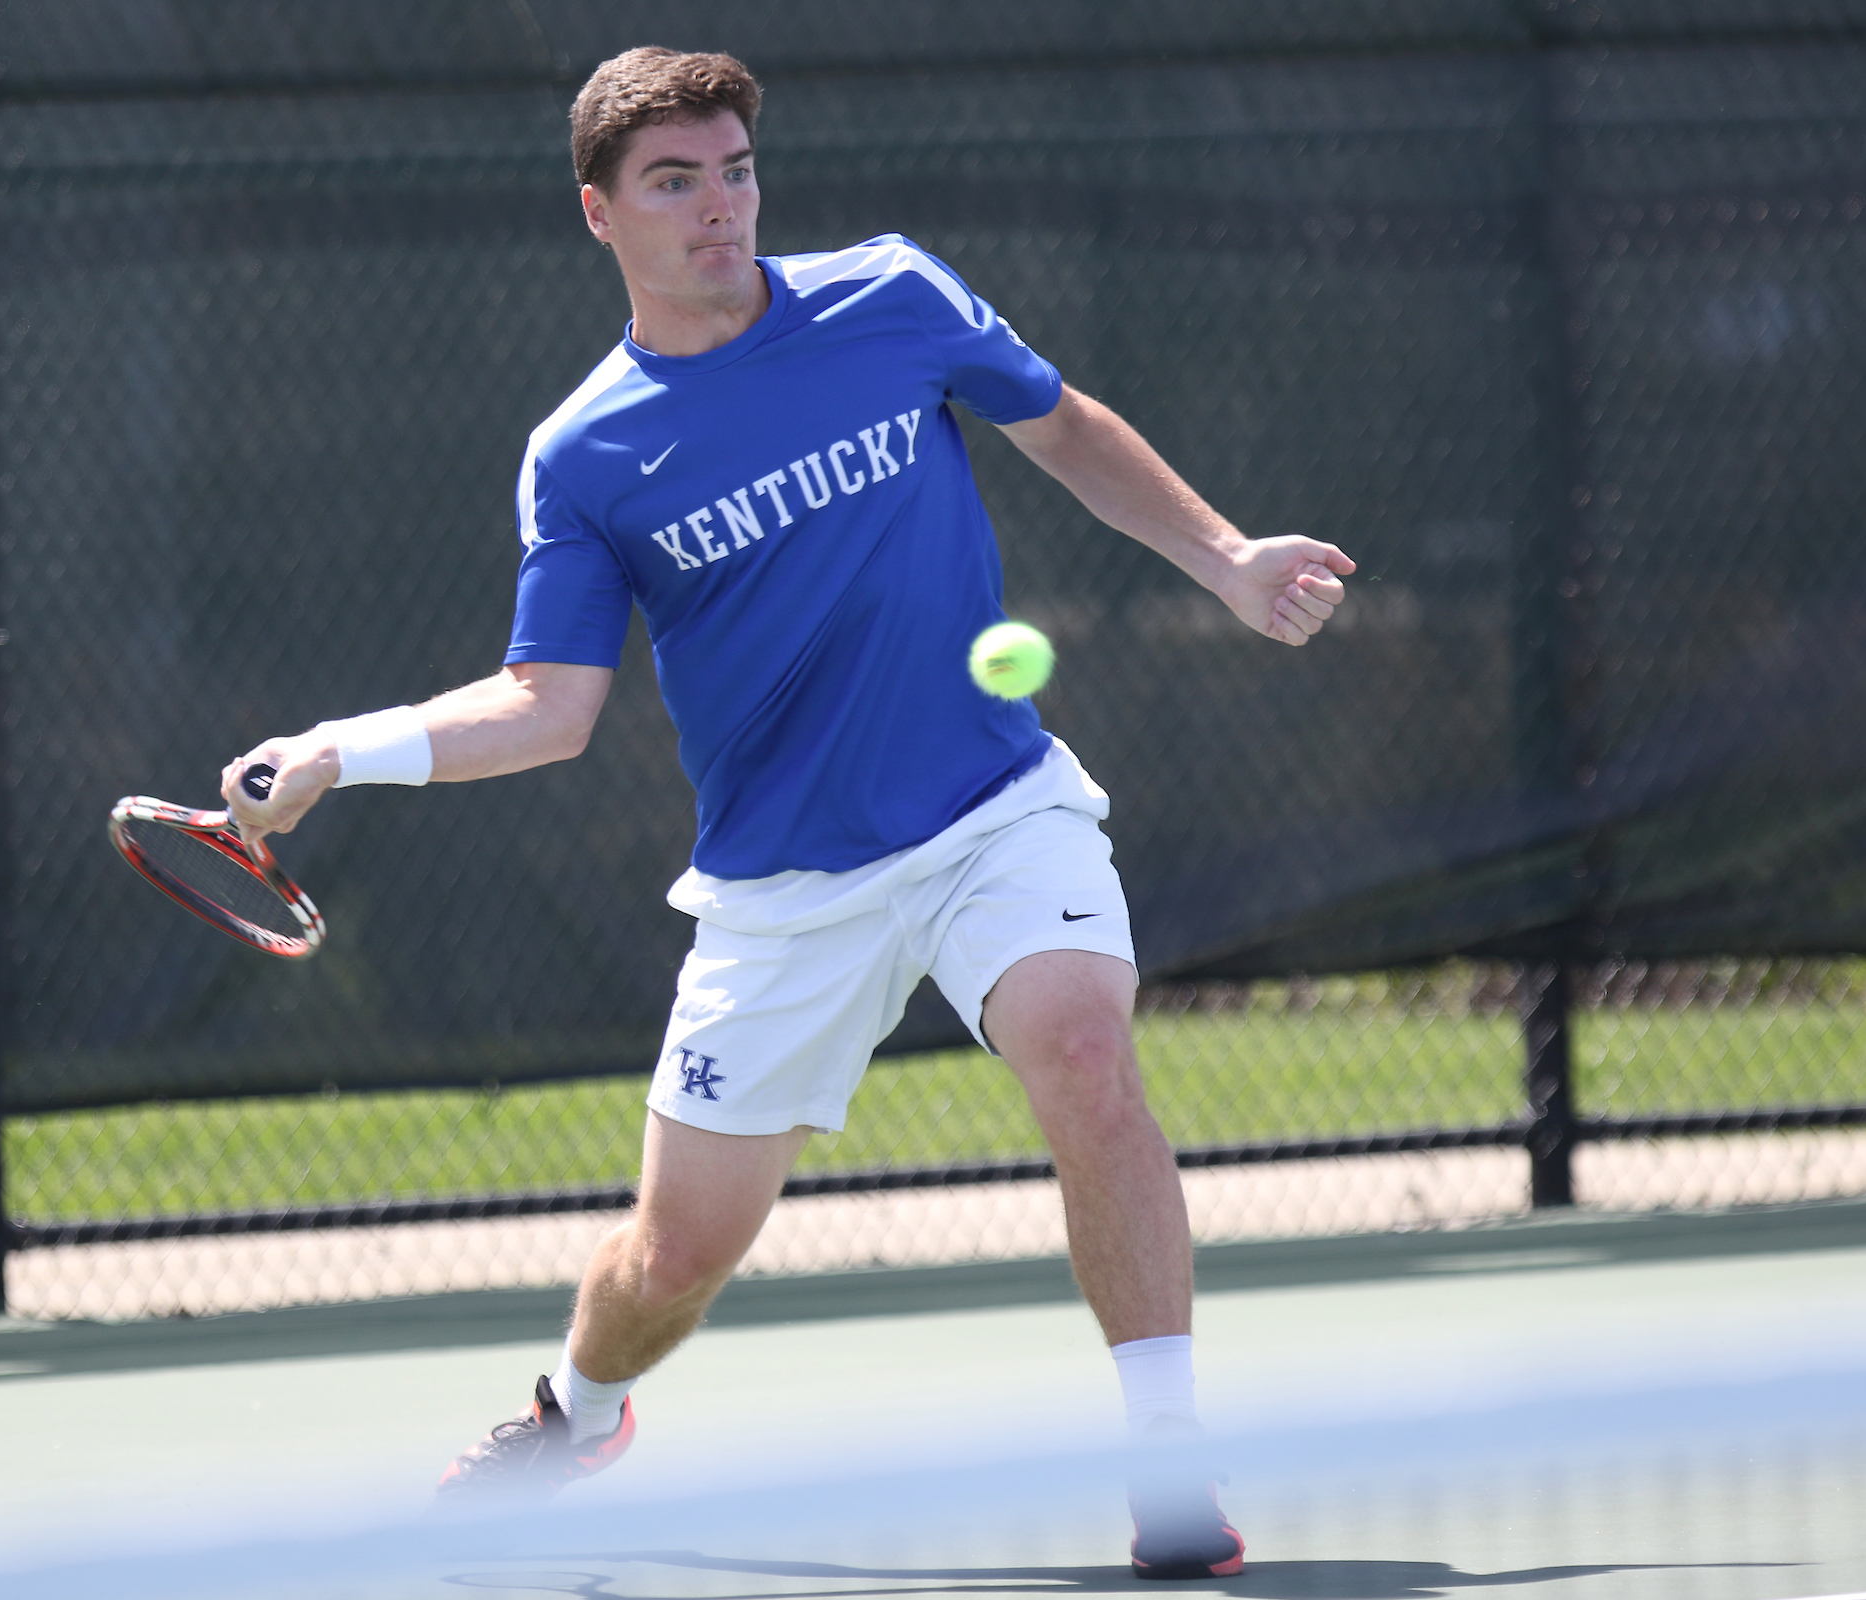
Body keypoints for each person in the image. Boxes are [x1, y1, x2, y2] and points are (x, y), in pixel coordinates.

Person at [222, 46, 1351, 1581]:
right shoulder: (587, 455)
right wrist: (344, 751)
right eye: (673, 182)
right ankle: (580, 1411)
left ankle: (1168, 1465)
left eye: (735, 169)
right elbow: (548, 706)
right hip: (782, 894)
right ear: (598, 214)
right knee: (674, 1256)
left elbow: (1062, 422)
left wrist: (1224, 558)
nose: (718, 208)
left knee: (1084, 1047)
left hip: (989, 813)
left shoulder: (892, 295)